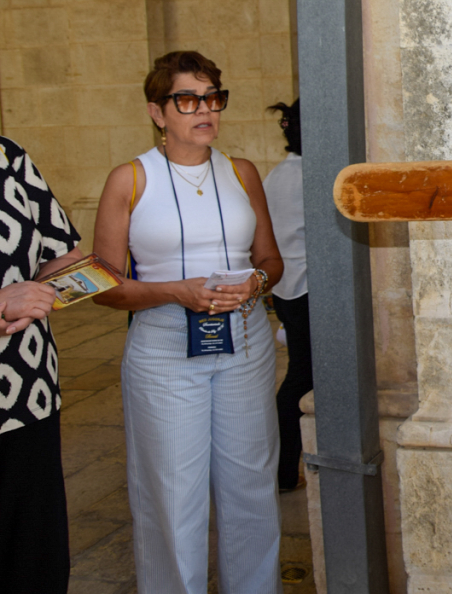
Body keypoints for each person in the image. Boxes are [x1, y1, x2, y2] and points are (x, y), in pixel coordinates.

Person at [94, 51, 286, 594]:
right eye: (187, 100)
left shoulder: (241, 173)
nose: (205, 110)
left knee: (251, 485)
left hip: (245, 338)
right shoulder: (130, 179)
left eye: (212, 98)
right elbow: (103, 285)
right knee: (173, 494)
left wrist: (256, 283)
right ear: (157, 111)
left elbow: (271, 261)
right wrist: (174, 291)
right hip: (164, 346)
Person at [0, 138, 84, 594]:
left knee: (34, 560)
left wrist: (55, 285)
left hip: (27, 393)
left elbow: (63, 254)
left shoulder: (7, 156)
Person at [262, 99, 311, 492]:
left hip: (287, 289)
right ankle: (282, 470)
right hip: (306, 288)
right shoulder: (309, 175)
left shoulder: (278, 174)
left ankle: (283, 469)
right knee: (301, 377)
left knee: (300, 373)